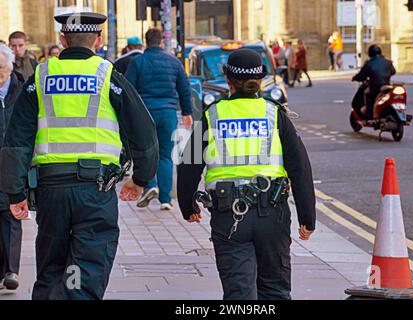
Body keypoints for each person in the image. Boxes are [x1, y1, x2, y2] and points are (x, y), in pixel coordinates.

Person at [0, 12, 159, 300]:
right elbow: (144, 132)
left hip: (51, 192)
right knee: (84, 270)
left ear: (62, 40)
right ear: (97, 41)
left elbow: (16, 139)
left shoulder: (40, 77)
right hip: (94, 193)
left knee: (51, 270)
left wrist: (14, 192)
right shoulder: (109, 76)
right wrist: (140, 179)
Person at [177, 48, 316, 300]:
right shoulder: (274, 114)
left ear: (227, 78)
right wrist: (307, 216)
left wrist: (188, 205)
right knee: (275, 290)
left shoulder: (214, 115)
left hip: (228, 216)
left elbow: (189, 164)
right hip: (272, 215)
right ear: (261, 79)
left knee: (238, 293)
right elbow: (300, 167)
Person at [126, 28, 193, 211]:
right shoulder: (174, 62)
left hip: (145, 113)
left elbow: (128, 89)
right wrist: (187, 112)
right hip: (168, 112)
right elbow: (184, 89)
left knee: (147, 152)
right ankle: (165, 199)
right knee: (165, 155)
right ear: (161, 42)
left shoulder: (138, 61)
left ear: (146, 42)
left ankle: (151, 185)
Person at [0, 44, 23, 292]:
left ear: (10, 65)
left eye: (1, 67)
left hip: (14, 162)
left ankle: (11, 270)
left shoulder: (22, 88)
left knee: (12, 214)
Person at [352, 44, 396, 120]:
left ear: (370, 53)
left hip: (376, 87)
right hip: (386, 85)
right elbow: (393, 71)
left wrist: (355, 78)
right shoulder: (388, 62)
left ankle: (369, 112)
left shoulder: (369, 63)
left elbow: (362, 75)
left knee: (366, 92)